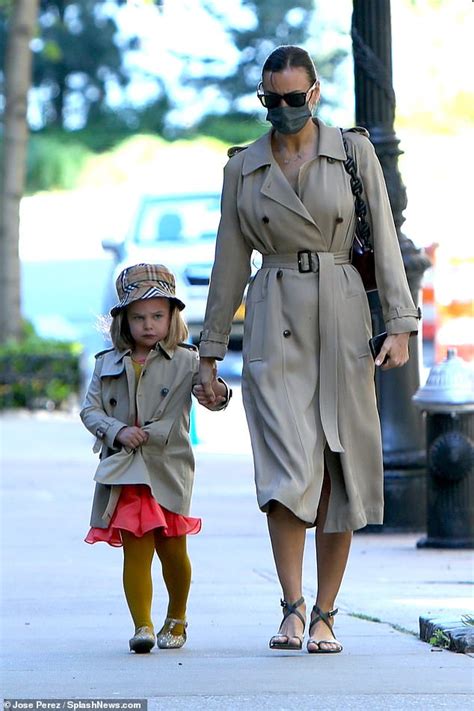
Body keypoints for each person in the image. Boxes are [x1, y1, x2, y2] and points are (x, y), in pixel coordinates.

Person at [198, 45, 420, 654]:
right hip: (273, 317)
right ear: (263, 99)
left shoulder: (352, 152)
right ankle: (292, 606)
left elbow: (387, 235)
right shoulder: (242, 168)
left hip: (342, 314)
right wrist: (209, 352)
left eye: (296, 99)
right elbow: (226, 264)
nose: (285, 111)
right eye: (273, 101)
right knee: (285, 470)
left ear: (315, 94)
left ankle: (326, 611)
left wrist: (399, 324)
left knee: (338, 471)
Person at [81, 263, 231, 654]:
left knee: (173, 550)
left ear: (172, 317)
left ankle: (177, 616)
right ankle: (143, 625)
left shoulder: (186, 360)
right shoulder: (107, 363)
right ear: (123, 321)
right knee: (136, 546)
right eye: (138, 317)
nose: (148, 324)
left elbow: (212, 392)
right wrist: (116, 430)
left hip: (167, 465)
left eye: (157, 316)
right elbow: (90, 410)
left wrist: (215, 394)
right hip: (126, 470)